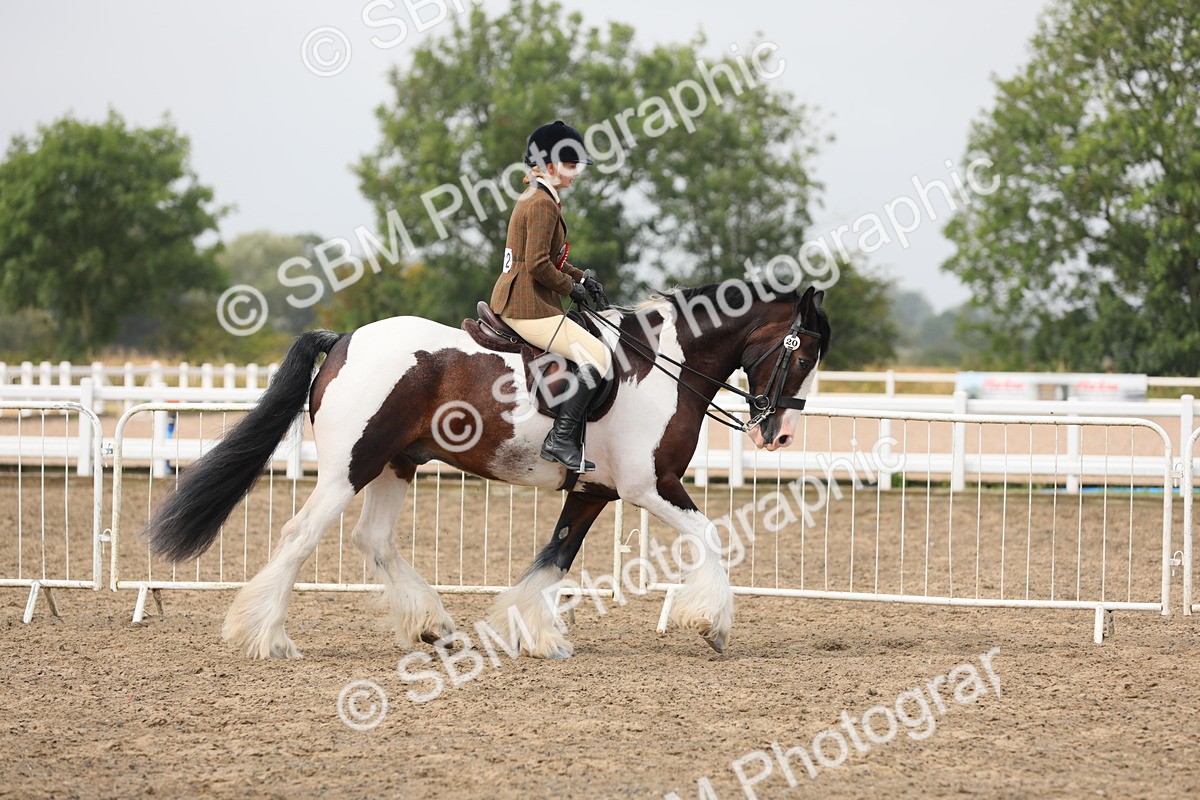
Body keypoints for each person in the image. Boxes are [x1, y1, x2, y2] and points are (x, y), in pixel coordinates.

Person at [490, 120, 612, 473]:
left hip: (524, 299)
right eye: (571, 166)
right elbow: (538, 266)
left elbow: (551, 259)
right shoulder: (542, 203)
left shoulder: (538, 197)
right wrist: (569, 288)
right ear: (550, 165)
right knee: (598, 357)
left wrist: (582, 279)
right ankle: (560, 439)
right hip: (528, 307)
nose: (576, 174)